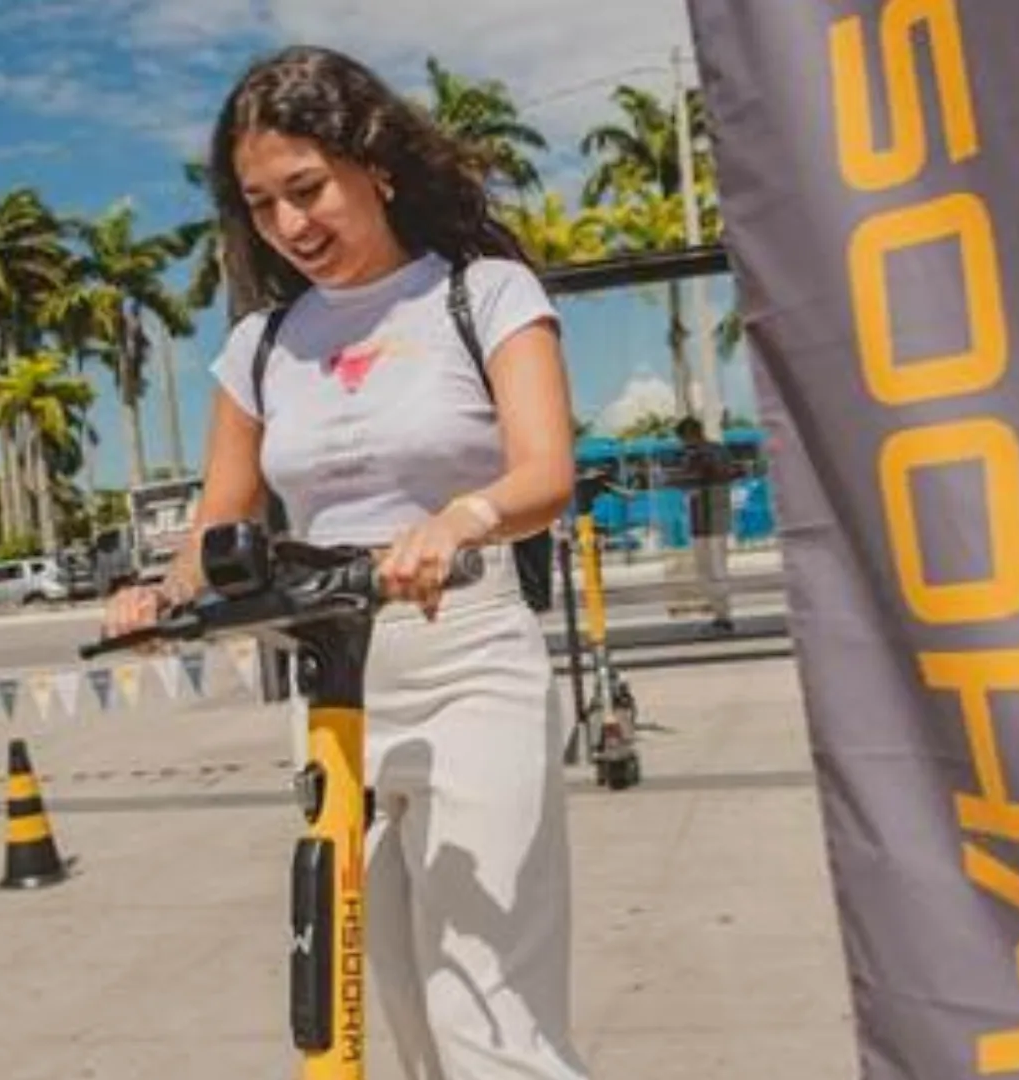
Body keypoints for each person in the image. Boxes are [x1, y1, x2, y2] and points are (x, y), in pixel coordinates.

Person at [102, 43, 593, 1080]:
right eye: (261, 203)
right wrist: (161, 596)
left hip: (469, 658)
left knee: (487, 1019)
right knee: (385, 1014)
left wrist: (457, 521)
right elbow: (219, 524)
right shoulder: (261, 347)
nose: (290, 227)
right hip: (337, 686)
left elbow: (547, 470)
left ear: (377, 163)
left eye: (307, 189)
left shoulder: (484, 293)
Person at [672, 415, 736, 633]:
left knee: (713, 570)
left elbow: (722, 474)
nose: (683, 444)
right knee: (710, 570)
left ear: (690, 434)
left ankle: (724, 618)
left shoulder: (708, 453)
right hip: (708, 517)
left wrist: (698, 469)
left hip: (710, 517)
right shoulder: (701, 454)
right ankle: (721, 615)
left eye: (683, 438)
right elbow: (690, 479)